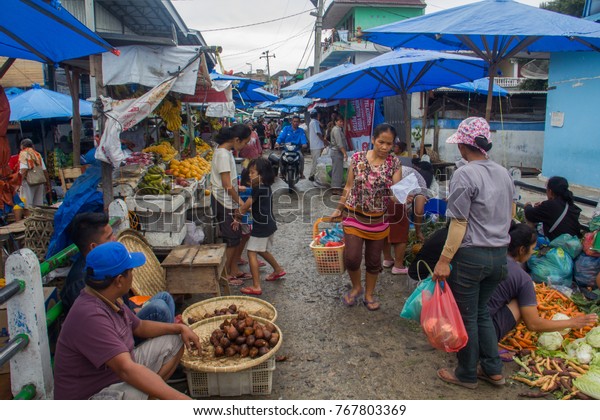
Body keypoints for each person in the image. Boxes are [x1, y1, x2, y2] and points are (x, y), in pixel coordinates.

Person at [54, 242, 200, 400]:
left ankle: (152, 398)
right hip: (92, 395)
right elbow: (126, 369)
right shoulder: (90, 315)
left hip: (114, 375)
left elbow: (141, 326)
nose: (133, 275)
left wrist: (179, 329)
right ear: (119, 280)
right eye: (130, 271)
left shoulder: (108, 298)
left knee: (175, 341)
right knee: (139, 389)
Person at [433, 117, 515, 389]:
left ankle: (466, 373)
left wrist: (444, 260)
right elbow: (511, 214)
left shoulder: (465, 173)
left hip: (471, 258)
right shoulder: (503, 172)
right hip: (499, 257)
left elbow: (458, 222)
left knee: (468, 316)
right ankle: (493, 370)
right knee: (481, 314)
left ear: (464, 145)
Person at [489, 223, 597, 348]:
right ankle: (491, 345)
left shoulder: (489, 257)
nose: (533, 252)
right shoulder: (523, 279)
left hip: (466, 323)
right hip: (483, 332)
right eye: (532, 248)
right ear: (522, 250)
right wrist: (572, 322)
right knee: (521, 301)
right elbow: (533, 325)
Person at [330, 123, 402, 311]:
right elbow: (348, 186)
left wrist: (403, 196)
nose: (385, 147)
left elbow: (396, 191)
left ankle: (369, 294)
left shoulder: (394, 163)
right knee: (352, 258)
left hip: (378, 219)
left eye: (389, 143)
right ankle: (356, 287)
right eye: (381, 142)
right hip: (354, 214)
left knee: (373, 261)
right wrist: (339, 208)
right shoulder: (358, 158)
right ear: (372, 140)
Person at [60, 213, 175, 324]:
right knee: (159, 308)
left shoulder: (107, 263)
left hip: (126, 315)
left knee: (165, 297)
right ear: (94, 247)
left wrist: (134, 311)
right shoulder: (81, 282)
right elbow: (104, 322)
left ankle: (172, 331)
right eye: (109, 237)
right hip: (118, 329)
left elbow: (123, 305)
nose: (115, 239)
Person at [235, 158, 285, 295]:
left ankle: (256, 286)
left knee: (251, 252)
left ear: (261, 175)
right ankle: (278, 270)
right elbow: (257, 206)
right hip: (269, 224)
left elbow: (246, 206)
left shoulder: (257, 189)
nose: (250, 175)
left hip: (261, 226)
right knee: (262, 250)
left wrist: (238, 214)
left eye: (252, 172)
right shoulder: (265, 186)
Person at [210, 124, 252, 285]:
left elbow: (229, 183)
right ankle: (225, 275)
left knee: (238, 236)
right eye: (245, 142)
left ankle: (233, 269)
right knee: (232, 238)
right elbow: (227, 185)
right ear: (236, 139)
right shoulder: (222, 154)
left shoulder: (225, 153)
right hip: (223, 201)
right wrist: (241, 203)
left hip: (227, 199)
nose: (245, 145)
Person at [383, 166, 427, 275]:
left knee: (386, 226)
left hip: (384, 189)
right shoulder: (422, 187)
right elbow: (419, 210)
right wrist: (418, 231)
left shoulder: (407, 171)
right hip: (396, 191)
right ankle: (398, 266)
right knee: (401, 228)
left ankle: (387, 259)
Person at [524, 176, 582, 241]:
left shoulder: (550, 205)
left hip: (558, 244)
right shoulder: (570, 204)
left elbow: (529, 214)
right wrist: (540, 208)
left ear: (550, 191)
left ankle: (528, 244)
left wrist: (528, 205)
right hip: (573, 243)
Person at [18, 138, 50, 207]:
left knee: (27, 204)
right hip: (39, 182)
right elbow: (44, 170)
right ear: (32, 145)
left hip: (29, 182)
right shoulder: (37, 154)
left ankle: (30, 217)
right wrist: (47, 184)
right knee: (38, 205)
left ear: (22, 146)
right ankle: (37, 217)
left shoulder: (23, 153)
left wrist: (19, 183)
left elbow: (24, 170)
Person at [329, 116, 347, 194]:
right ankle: (335, 189)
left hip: (337, 152)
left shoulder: (338, 129)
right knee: (337, 171)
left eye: (342, 121)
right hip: (337, 152)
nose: (341, 123)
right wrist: (345, 153)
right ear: (336, 122)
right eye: (340, 121)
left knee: (336, 170)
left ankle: (335, 186)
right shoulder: (336, 130)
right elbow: (339, 144)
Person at [308, 111, 326, 182]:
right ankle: (312, 175)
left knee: (315, 161)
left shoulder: (312, 122)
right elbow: (318, 133)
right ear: (317, 115)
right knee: (316, 161)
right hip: (316, 145)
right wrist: (325, 141)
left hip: (315, 145)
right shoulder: (314, 122)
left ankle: (313, 175)